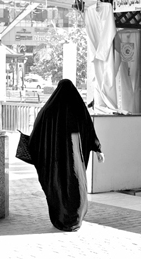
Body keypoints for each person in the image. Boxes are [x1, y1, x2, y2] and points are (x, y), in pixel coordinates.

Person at [28, 79, 104, 231]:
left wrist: (30, 147)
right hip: (75, 161)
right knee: (75, 186)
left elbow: (37, 131)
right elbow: (89, 129)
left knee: (57, 186)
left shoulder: (49, 110)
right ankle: (75, 219)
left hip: (55, 161)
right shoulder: (78, 108)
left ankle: (61, 219)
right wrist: (98, 148)